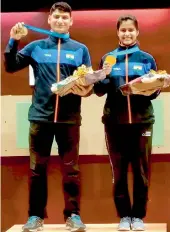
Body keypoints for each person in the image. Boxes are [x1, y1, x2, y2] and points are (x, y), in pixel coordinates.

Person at [4, 2, 94, 232]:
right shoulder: (36, 47)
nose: (61, 21)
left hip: (69, 119)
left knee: (71, 170)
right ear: (50, 20)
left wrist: (87, 85)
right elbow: (11, 66)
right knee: (37, 170)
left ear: (71, 21)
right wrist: (13, 41)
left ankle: (73, 216)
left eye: (65, 17)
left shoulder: (80, 49)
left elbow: (89, 84)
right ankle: (35, 217)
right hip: (40, 118)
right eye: (57, 17)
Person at [94, 14, 161, 231]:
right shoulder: (107, 58)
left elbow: (153, 94)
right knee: (119, 172)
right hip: (115, 125)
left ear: (137, 32)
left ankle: (139, 217)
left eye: (131, 30)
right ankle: (124, 216)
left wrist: (156, 85)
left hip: (142, 123)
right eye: (123, 30)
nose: (127, 33)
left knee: (141, 171)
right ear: (117, 33)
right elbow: (98, 91)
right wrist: (103, 76)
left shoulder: (146, 59)